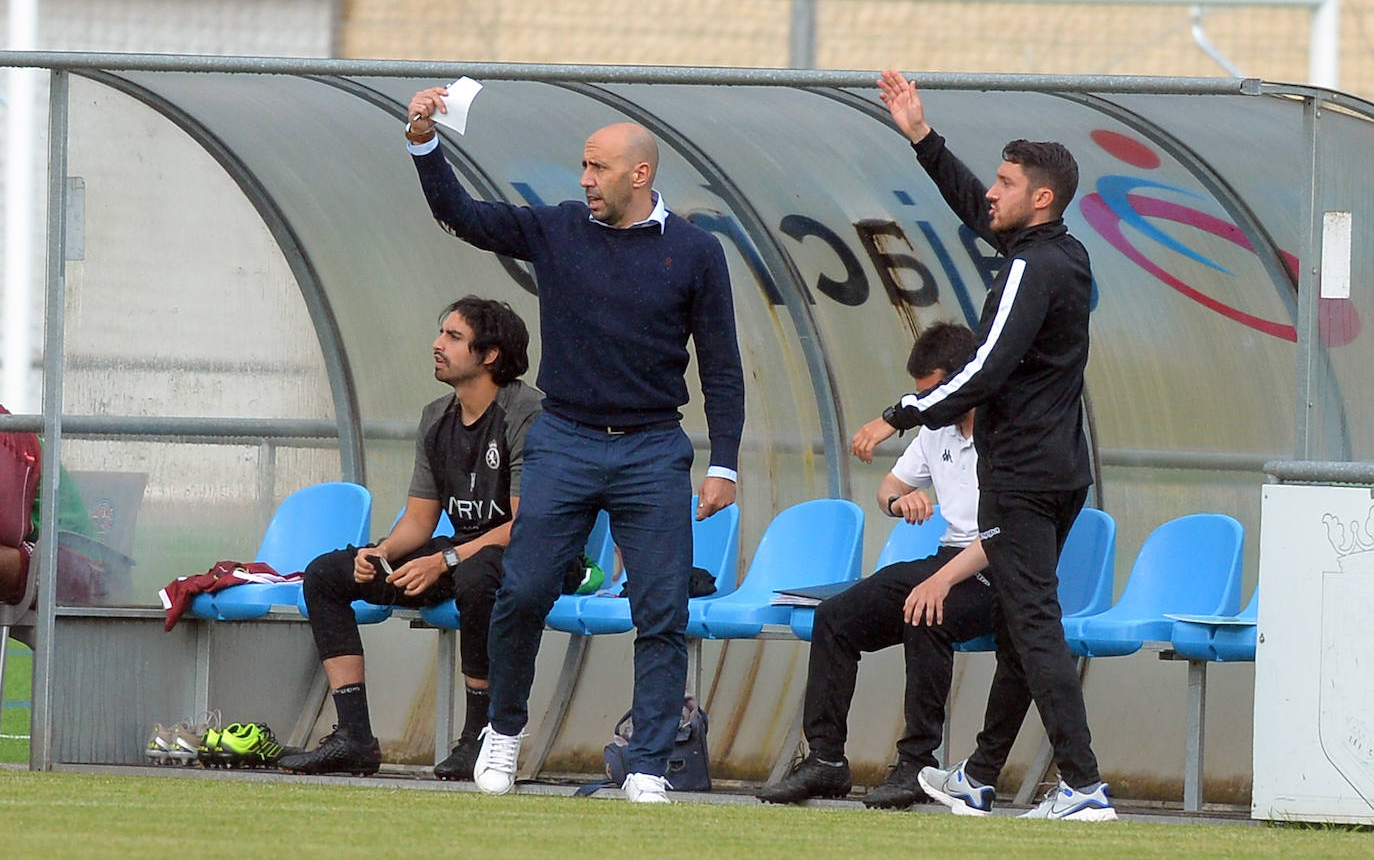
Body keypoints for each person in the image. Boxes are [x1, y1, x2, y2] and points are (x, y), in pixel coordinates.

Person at [404, 90, 746, 803]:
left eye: (597, 168)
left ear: (639, 175)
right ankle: (503, 734)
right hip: (563, 438)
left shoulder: (695, 252)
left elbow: (721, 364)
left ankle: (650, 765)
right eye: (582, 167)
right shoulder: (558, 229)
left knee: (661, 611)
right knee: (521, 590)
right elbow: (464, 218)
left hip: (654, 448)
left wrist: (724, 464)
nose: (584, 180)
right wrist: (425, 144)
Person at [849, 70, 1116, 822]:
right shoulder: (1059, 251)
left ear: (1042, 197)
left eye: (1006, 182)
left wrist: (900, 414)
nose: (991, 192)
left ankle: (1085, 785)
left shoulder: (1032, 266)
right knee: (1018, 630)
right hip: (1058, 471)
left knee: (1033, 628)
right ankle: (980, 774)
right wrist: (922, 138)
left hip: (1025, 479)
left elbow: (985, 367)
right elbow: (979, 210)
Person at [277, 296, 539, 779]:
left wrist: (446, 561)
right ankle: (354, 737)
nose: (437, 345)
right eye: (442, 334)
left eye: (453, 337)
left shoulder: (527, 413)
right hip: (462, 556)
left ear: (490, 355)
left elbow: (527, 523)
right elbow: (420, 519)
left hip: (533, 557)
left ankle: (480, 736)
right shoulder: (436, 416)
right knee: (326, 574)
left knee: (478, 576)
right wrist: (380, 552)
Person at [758, 322, 996, 810]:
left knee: (926, 609)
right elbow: (888, 488)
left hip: (1000, 572)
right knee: (835, 617)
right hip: (947, 560)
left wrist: (939, 581)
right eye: (922, 394)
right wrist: (899, 504)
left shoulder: (1008, 431)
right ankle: (825, 761)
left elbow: (1009, 536)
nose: (928, 403)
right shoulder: (937, 429)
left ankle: (916, 765)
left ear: (965, 380)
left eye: (934, 392)